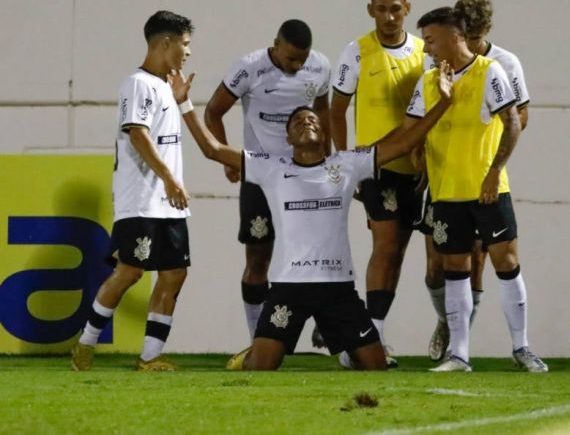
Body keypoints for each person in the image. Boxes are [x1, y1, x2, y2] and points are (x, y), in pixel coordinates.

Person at [174, 61, 456, 370]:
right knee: (261, 368)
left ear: (323, 135)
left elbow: (403, 142)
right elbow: (213, 149)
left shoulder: (347, 164)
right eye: (296, 123)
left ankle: (348, 348)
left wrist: (443, 103)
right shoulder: (270, 167)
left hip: (337, 287)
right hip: (288, 286)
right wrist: (184, 103)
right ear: (288, 140)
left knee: (376, 366)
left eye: (311, 120)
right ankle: (250, 355)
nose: (305, 123)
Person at [402, 6, 548, 373]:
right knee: (455, 267)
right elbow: (411, 128)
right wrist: (417, 151)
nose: (426, 49)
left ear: (455, 37)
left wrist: (494, 171)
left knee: (506, 263)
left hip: (487, 189)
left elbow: (512, 122)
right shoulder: (429, 80)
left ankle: (522, 348)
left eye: (431, 40)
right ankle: (460, 355)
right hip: (446, 191)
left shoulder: (490, 72)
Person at [70, 10, 195, 371]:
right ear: (166, 42)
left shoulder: (166, 87)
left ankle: (150, 357)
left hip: (169, 204)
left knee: (174, 274)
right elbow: (138, 135)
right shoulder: (137, 83)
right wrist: (171, 179)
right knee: (130, 272)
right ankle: (85, 344)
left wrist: (182, 99)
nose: (188, 53)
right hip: (141, 199)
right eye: (185, 45)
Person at [203, 20, 330, 368]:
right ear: (275, 45)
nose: (297, 66)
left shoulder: (320, 66)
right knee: (258, 259)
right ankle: (256, 338)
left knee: (317, 252)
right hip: (260, 176)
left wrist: (328, 161)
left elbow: (322, 113)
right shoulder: (249, 67)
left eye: (301, 60)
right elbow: (213, 110)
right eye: (291, 59)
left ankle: (331, 323)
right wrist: (230, 161)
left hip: (305, 174)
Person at [329, 0, 430, 366]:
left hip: (417, 169)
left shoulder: (425, 52)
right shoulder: (357, 52)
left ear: (407, 8)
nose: (388, 16)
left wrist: (426, 156)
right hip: (377, 167)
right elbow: (336, 110)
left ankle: (373, 334)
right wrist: (346, 164)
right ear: (370, 9)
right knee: (385, 247)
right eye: (381, 8)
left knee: (399, 253)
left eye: (395, 8)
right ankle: (368, 341)